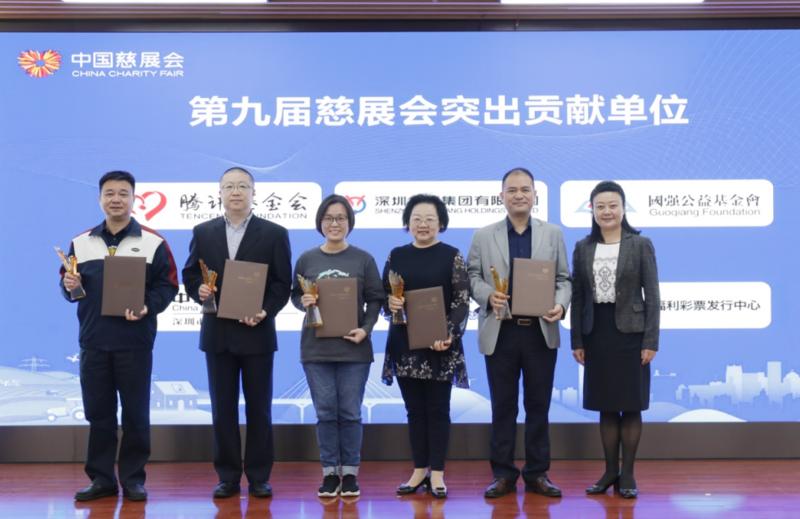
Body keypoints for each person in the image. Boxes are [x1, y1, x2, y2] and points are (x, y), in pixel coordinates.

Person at [60, 170, 179, 502]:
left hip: (134, 342)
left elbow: (168, 286)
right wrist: (70, 286)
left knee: (136, 415)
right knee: (99, 415)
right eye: (109, 193)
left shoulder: (154, 242)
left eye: (123, 193)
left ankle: (133, 479)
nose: (116, 199)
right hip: (94, 341)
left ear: (133, 199)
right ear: (100, 199)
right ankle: (101, 479)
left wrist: (147, 306)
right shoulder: (81, 242)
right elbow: (70, 287)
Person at [182, 167, 292, 499]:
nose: (235, 192)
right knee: (223, 409)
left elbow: (282, 283)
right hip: (218, 334)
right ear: (220, 193)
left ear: (253, 193)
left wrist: (265, 311)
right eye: (229, 186)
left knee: (259, 409)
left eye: (242, 186)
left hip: (257, 333)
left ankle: (259, 476)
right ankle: (228, 476)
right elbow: (190, 274)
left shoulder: (274, 233)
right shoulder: (203, 232)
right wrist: (199, 290)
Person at [467, 167, 571, 499]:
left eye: (525, 189)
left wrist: (560, 304)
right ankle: (503, 474)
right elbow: (472, 277)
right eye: (511, 190)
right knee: (503, 406)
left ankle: (538, 473)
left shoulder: (552, 234)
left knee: (538, 406)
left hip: (540, 330)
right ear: (502, 196)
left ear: (535, 195)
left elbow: (564, 279)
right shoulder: (483, 236)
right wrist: (487, 295)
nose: (519, 195)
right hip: (501, 330)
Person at [570, 181, 660, 499]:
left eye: (612, 205)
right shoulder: (583, 247)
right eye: (600, 206)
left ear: (623, 208)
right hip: (597, 332)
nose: (606, 211)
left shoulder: (640, 244)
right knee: (606, 406)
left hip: (632, 334)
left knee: (631, 405)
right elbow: (578, 297)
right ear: (592, 210)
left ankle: (628, 474)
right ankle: (610, 471)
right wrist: (577, 340)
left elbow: (653, 296)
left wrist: (651, 341)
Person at [290, 194, 384, 498]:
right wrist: (303, 301)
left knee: (351, 412)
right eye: (329, 218)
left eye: (341, 218)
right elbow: (295, 294)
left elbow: (376, 299)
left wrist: (366, 330)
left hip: (354, 349)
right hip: (316, 350)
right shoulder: (307, 259)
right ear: (320, 222)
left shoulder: (363, 259)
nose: (335, 223)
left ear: (349, 222)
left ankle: (351, 474)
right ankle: (330, 473)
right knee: (326, 412)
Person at [382, 194, 470, 499]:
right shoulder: (396, 255)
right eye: (416, 219)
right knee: (414, 411)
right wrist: (391, 303)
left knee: (438, 410)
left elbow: (461, 302)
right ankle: (419, 469)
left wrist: (449, 334)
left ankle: (438, 473)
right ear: (407, 223)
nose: (423, 224)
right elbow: (384, 297)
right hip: (404, 345)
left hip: (440, 344)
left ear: (441, 223)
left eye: (430, 219)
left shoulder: (452, 255)